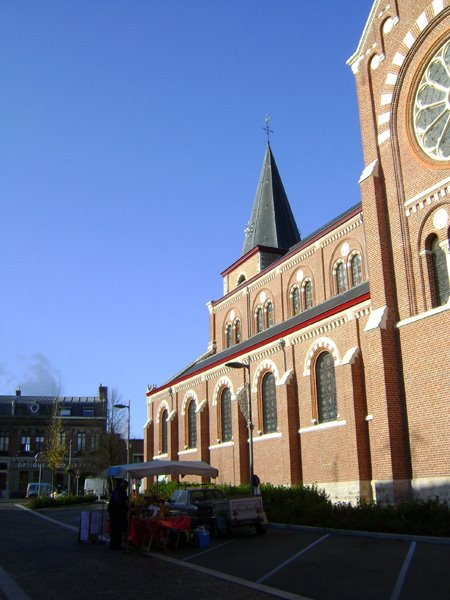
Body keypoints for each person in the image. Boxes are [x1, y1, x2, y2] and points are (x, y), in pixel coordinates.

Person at [107, 479, 129, 550]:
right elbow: (119, 503)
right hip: (117, 513)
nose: (126, 488)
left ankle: (115, 544)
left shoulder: (118, 491)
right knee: (117, 529)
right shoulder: (119, 492)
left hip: (115, 513)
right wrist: (125, 507)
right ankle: (116, 545)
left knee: (116, 530)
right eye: (126, 486)